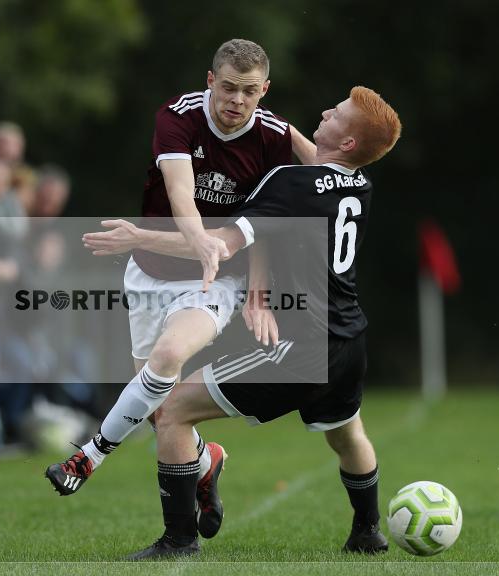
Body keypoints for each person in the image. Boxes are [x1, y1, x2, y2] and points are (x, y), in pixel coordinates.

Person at [85, 86, 402, 559]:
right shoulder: (361, 185)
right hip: (350, 338)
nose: (325, 111)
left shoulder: (291, 183)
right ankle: (368, 531)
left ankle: (179, 540)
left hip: (301, 347)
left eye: (336, 114)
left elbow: (219, 244)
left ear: (348, 141)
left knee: (171, 409)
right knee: (346, 434)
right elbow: (310, 185)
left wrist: (140, 238)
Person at [45, 39, 316, 542]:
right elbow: (181, 196)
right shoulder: (178, 116)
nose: (237, 100)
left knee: (168, 357)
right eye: (229, 87)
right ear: (211, 81)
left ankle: (89, 456)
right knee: (158, 410)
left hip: (215, 281)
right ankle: (206, 461)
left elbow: (313, 186)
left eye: (250, 91)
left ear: (265, 91)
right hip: (149, 275)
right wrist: (202, 242)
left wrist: (252, 287)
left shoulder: (273, 136)